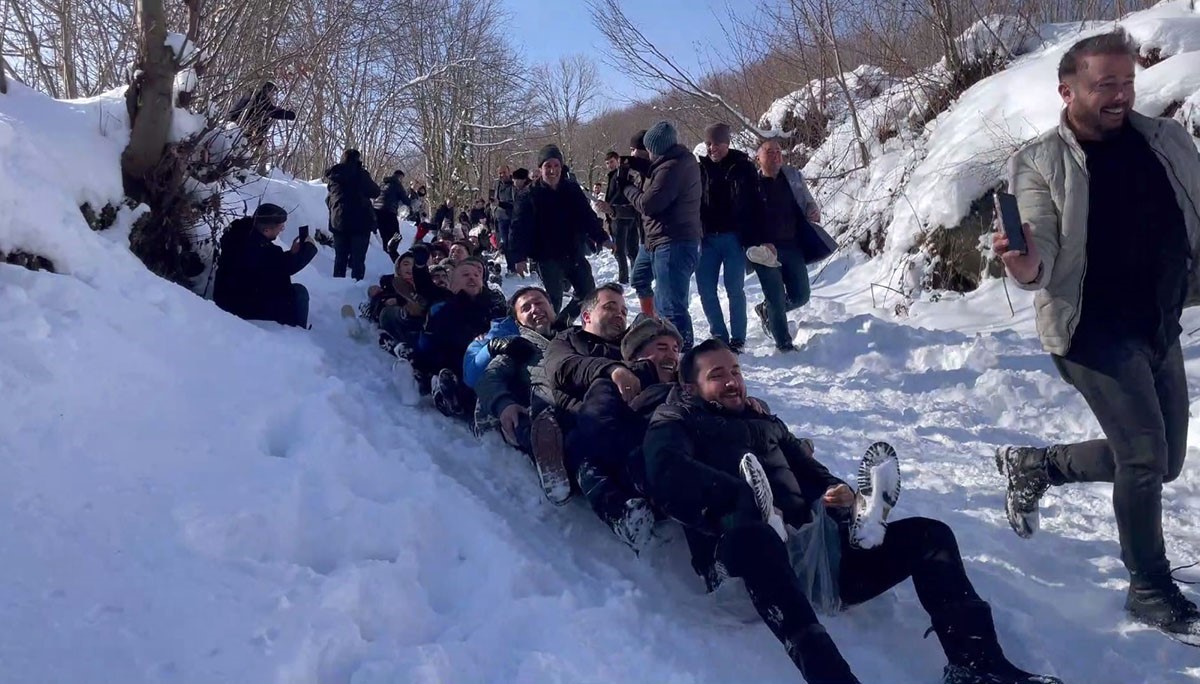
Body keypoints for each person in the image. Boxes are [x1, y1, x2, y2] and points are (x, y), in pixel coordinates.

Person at [642, 339, 1063, 684]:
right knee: (758, 536)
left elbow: (811, 471)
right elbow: (666, 473)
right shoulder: (674, 420)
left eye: (735, 370)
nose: (732, 381)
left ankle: (979, 667)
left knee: (931, 537)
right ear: (691, 388)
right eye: (717, 375)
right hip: (740, 566)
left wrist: (837, 493)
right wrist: (739, 499)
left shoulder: (767, 422)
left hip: (816, 560)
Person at [994, 29, 1200, 646]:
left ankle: (1039, 465)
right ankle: (1148, 587)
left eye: (1127, 82)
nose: (1121, 95)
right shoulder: (1039, 162)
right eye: (1105, 84)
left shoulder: (1165, 139)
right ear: (1068, 90)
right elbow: (1038, 250)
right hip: (1091, 329)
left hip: (1157, 320)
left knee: (1163, 462)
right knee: (1142, 456)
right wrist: (1024, 262)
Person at [564, 316, 682, 551]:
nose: (671, 355)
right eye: (661, 347)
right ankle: (617, 509)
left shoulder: (688, 387)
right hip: (643, 467)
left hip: (686, 459)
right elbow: (596, 425)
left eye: (676, 349)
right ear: (636, 354)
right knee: (576, 442)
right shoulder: (612, 384)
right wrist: (640, 452)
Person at [747, 139, 835, 352]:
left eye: (778, 151)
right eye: (769, 152)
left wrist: (812, 209)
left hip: (792, 245)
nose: (776, 155)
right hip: (764, 251)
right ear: (758, 158)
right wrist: (759, 241)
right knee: (775, 296)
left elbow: (808, 201)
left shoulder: (793, 176)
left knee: (801, 295)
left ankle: (767, 310)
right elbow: (743, 217)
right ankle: (784, 344)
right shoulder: (750, 184)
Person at [511, 144, 613, 325]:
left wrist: (602, 238)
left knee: (588, 294)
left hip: (573, 251)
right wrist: (519, 257)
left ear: (561, 166)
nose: (552, 170)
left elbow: (587, 217)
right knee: (554, 300)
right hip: (546, 255)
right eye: (548, 166)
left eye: (556, 165)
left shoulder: (572, 189)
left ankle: (560, 325)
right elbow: (519, 227)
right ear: (540, 168)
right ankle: (547, 331)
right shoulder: (529, 195)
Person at [620, 122, 701, 347]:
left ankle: (681, 352)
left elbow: (649, 204)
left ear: (656, 149)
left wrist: (626, 187)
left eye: (648, 149)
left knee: (671, 306)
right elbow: (657, 180)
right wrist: (640, 166)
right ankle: (652, 324)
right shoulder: (672, 162)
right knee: (640, 278)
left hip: (673, 241)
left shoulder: (673, 167)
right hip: (657, 239)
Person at [412, 258, 507, 417]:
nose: (472, 278)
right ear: (453, 286)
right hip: (456, 362)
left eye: (476, 275)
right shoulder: (444, 309)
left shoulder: (493, 307)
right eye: (465, 275)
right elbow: (437, 341)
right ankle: (442, 391)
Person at [698, 123, 762, 353]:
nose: (711, 148)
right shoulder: (701, 168)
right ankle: (719, 334)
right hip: (707, 238)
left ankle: (738, 338)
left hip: (734, 237)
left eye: (716, 143)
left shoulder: (743, 167)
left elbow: (755, 203)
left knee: (734, 288)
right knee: (705, 288)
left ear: (726, 143)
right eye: (708, 143)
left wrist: (754, 236)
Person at [213, 203, 316, 328]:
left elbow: (271, 264)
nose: (281, 230)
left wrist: (291, 254)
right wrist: (307, 251)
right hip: (244, 305)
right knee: (299, 293)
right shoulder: (261, 249)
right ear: (266, 230)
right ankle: (297, 331)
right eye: (280, 227)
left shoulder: (239, 235)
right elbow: (281, 270)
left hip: (226, 298)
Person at [325, 149, 380, 280]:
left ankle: (338, 286)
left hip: (338, 222)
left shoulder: (334, 175)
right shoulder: (361, 174)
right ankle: (357, 285)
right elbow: (375, 192)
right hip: (360, 222)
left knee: (340, 258)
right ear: (357, 159)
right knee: (358, 260)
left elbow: (329, 198)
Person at [596, 151, 641, 286]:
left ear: (618, 160)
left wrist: (609, 206)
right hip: (627, 214)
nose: (610, 165)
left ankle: (624, 278)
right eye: (607, 163)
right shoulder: (620, 175)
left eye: (612, 162)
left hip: (620, 215)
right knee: (631, 249)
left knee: (621, 250)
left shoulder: (620, 175)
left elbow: (619, 193)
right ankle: (635, 277)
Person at [227, 81, 295, 155]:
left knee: (263, 117)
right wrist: (289, 115)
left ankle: (255, 138)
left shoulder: (252, 94)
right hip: (239, 123)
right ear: (267, 90)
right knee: (264, 117)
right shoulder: (260, 97)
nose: (272, 95)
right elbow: (272, 111)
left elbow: (269, 109)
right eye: (272, 92)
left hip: (234, 121)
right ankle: (256, 138)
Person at [374, 170, 410, 258]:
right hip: (389, 211)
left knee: (384, 235)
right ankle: (392, 255)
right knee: (396, 235)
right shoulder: (397, 185)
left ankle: (386, 255)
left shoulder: (382, 183)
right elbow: (406, 200)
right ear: (400, 177)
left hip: (377, 211)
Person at [493, 166, 517, 272]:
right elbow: (495, 199)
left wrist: (501, 204)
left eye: (504, 172)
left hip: (512, 217)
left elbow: (515, 203)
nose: (502, 175)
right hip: (501, 217)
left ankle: (518, 263)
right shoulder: (497, 184)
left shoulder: (514, 184)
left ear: (509, 172)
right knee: (505, 243)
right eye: (500, 173)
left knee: (513, 242)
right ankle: (511, 267)